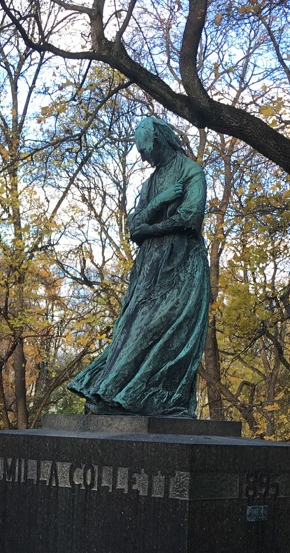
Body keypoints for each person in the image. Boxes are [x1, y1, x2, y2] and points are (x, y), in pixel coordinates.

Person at [69, 117, 210, 417]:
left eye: (146, 151)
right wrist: (158, 203)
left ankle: (127, 395)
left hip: (181, 265)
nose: (144, 158)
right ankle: (111, 393)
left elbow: (190, 217)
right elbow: (134, 226)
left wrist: (150, 229)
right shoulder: (150, 183)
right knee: (129, 327)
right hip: (149, 268)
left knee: (158, 329)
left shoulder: (191, 171)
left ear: (160, 142)